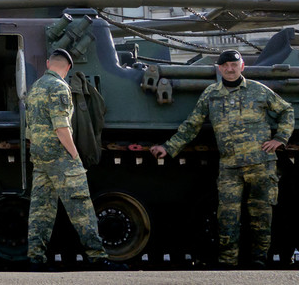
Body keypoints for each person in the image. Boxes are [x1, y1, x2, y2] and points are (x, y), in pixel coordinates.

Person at [150, 50, 293, 268]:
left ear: (242, 66)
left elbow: (286, 110)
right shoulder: (211, 94)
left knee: (261, 218)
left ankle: (259, 263)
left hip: (261, 165)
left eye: (234, 65)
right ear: (220, 68)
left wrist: (280, 138)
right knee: (227, 218)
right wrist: (168, 147)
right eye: (225, 65)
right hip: (230, 167)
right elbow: (192, 126)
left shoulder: (258, 90)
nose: (230, 68)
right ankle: (228, 265)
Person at [25, 49, 123, 270]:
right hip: (61, 157)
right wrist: (75, 155)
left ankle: (35, 258)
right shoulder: (60, 87)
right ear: (69, 68)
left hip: (40, 157)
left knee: (41, 209)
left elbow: (29, 129)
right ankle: (97, 257)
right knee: (81, 207)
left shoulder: (35, 88)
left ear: (48, 63)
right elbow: (61, 127)